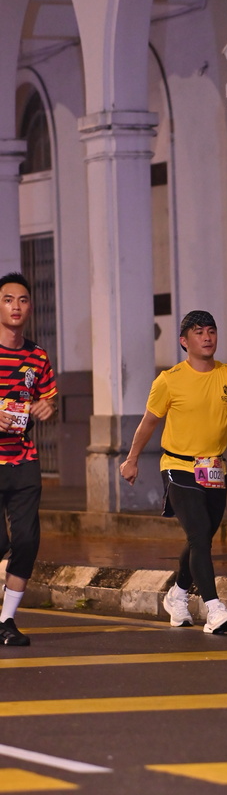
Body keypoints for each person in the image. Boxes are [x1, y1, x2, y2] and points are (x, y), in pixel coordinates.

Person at [119, 310, 227, 635]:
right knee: (199, 535)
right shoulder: (169, 380)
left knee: (201, 538)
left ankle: (177, 595)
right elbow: (149, 423)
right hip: (178, 466)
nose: (207, 337)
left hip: (213, 469)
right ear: (184, 341)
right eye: (198, 332)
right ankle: (214, 609)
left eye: (211, 331)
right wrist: (132, 459)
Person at [0, 272, 58, 647]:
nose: (16, 306)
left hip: (23, 461)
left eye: (22, 300)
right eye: (8, 300)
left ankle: (6, 620)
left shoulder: (37, 356)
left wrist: (47, 407)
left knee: (26, 541)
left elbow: (48, 398)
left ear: (30, 307)